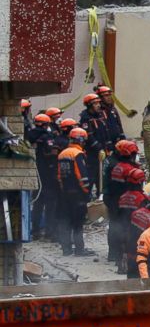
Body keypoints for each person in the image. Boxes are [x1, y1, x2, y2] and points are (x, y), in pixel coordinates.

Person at [57, 127, 93, 256]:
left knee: (66, 221)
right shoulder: (77, 154)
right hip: (77, 194)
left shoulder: (62, 154)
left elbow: (59, 176)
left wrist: (63, 190)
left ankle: (66, 249)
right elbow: (81, 175)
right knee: (78, 222)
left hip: (65, 193)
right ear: (81, 140)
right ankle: (79, 249)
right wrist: (87, 191)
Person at [105, 140, 141, 268]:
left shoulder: (115, 165)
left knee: (114, 225)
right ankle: (122, 256)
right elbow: (134, 186)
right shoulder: (128, 169)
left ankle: (114, 254)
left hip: (113, 198)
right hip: (124, 202)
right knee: (124, 228)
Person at [26, 113, 59, 239]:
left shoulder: (31, 136)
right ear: (46, 125)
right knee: (50, 205)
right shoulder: (47, 138)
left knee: (38, 205)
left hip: (38, 175)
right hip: (49, 177)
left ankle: (35, 231)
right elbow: (51, 154)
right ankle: (49, 232)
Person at [117, 169, 148, 278]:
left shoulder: (123, 196)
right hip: (136, 230)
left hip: (123, 228)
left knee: (124, 247)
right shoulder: (142, 198)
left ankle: (121, 265)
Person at [79, 93, 109, 198]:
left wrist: (108, 146)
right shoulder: (85, 119)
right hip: (91, 155)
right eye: (95, 104)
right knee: (91, 177)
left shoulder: (100, 116)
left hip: (103, 153)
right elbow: (89, 136)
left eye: (98, 103)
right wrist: (99, 148)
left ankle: (100, 200)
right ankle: (87, 200)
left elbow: (105, 132)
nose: (98, 106)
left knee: (102, 180)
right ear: (89, 105)